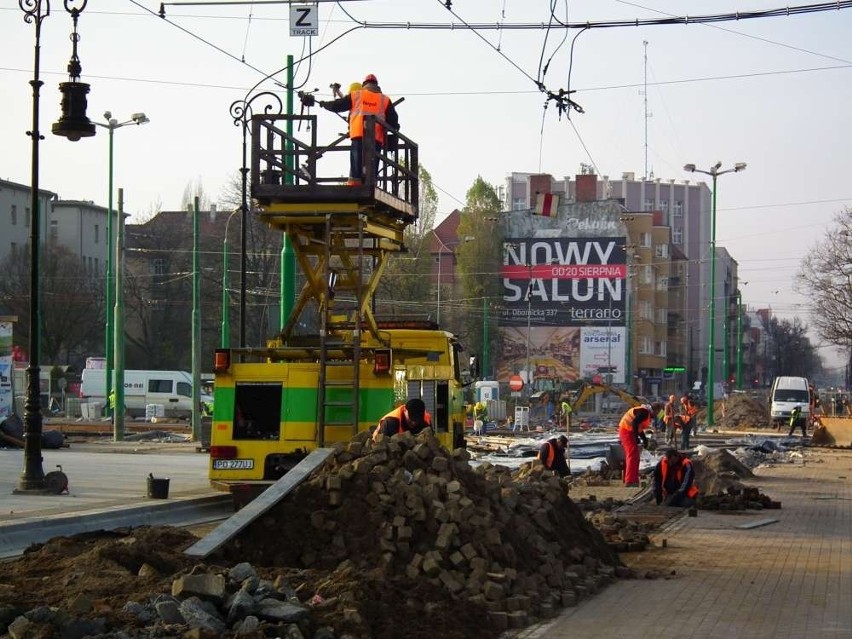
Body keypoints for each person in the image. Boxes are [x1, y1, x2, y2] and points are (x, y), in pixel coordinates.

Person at [313, 73, 399, 186]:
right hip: (376, 139)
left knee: (356, 166)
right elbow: (394, 121)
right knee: (372, 166)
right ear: (377, 85)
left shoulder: (356, 95)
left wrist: (323, 104)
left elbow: (338, 105)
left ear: (364, 84)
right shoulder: (385, 100)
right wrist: (392, 135)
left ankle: (355, 185)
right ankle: (371, 184)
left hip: (358, 136)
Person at [618, 402, 662, 487]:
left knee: (634, 456)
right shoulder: (644, 412)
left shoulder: (645, 412)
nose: (657, 415)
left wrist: (644, 439)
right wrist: (636, 437)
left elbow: (638, 427)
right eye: (657, 412)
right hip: (626, 431)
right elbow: (634, 423)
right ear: (655, 410)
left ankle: (633, 479)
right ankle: (630, 481)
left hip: (628, 431)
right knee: (632, 455)